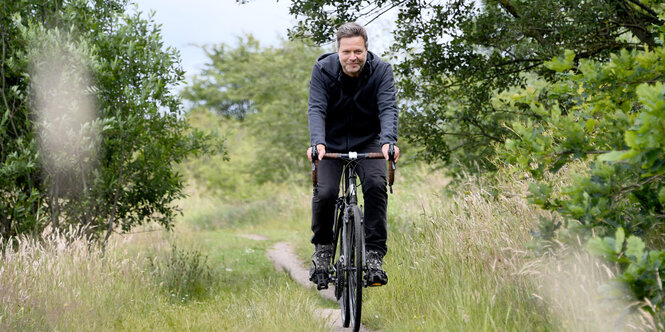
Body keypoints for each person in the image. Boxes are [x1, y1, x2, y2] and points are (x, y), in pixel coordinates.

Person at [306, 22, 400, 288]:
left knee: (375, 186)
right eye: (346, 52)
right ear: (338, 51)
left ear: (366, 49)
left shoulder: (382, 70)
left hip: (369, 141)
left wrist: (388, 142)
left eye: (358, 51)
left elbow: (388, 108)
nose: (352, 57)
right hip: (330, 143)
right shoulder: (322, 70)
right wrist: (317, 143)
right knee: (324, 194)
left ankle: (373, 257)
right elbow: (316, 108)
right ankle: (323, 253)